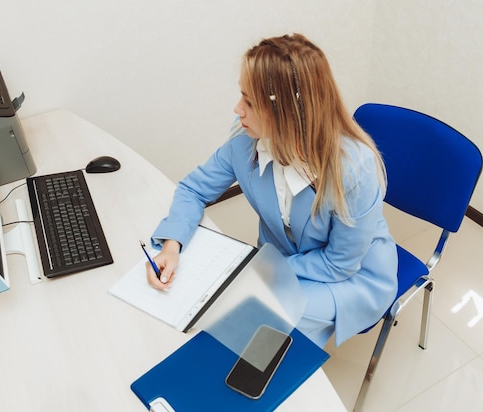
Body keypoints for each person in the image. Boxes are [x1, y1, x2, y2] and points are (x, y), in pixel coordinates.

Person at [145, 33, 398, 348]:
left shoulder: (355, 168)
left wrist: (254, 270)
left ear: (290, 112)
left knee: (252, 330)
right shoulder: (243, 141)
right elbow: (193, 189)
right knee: (230, 322)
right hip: (281, 261)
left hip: (352, 276)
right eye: (241, 95)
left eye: (250, 102)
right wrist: (171, 246)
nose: (238, 109)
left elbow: (339, 263)